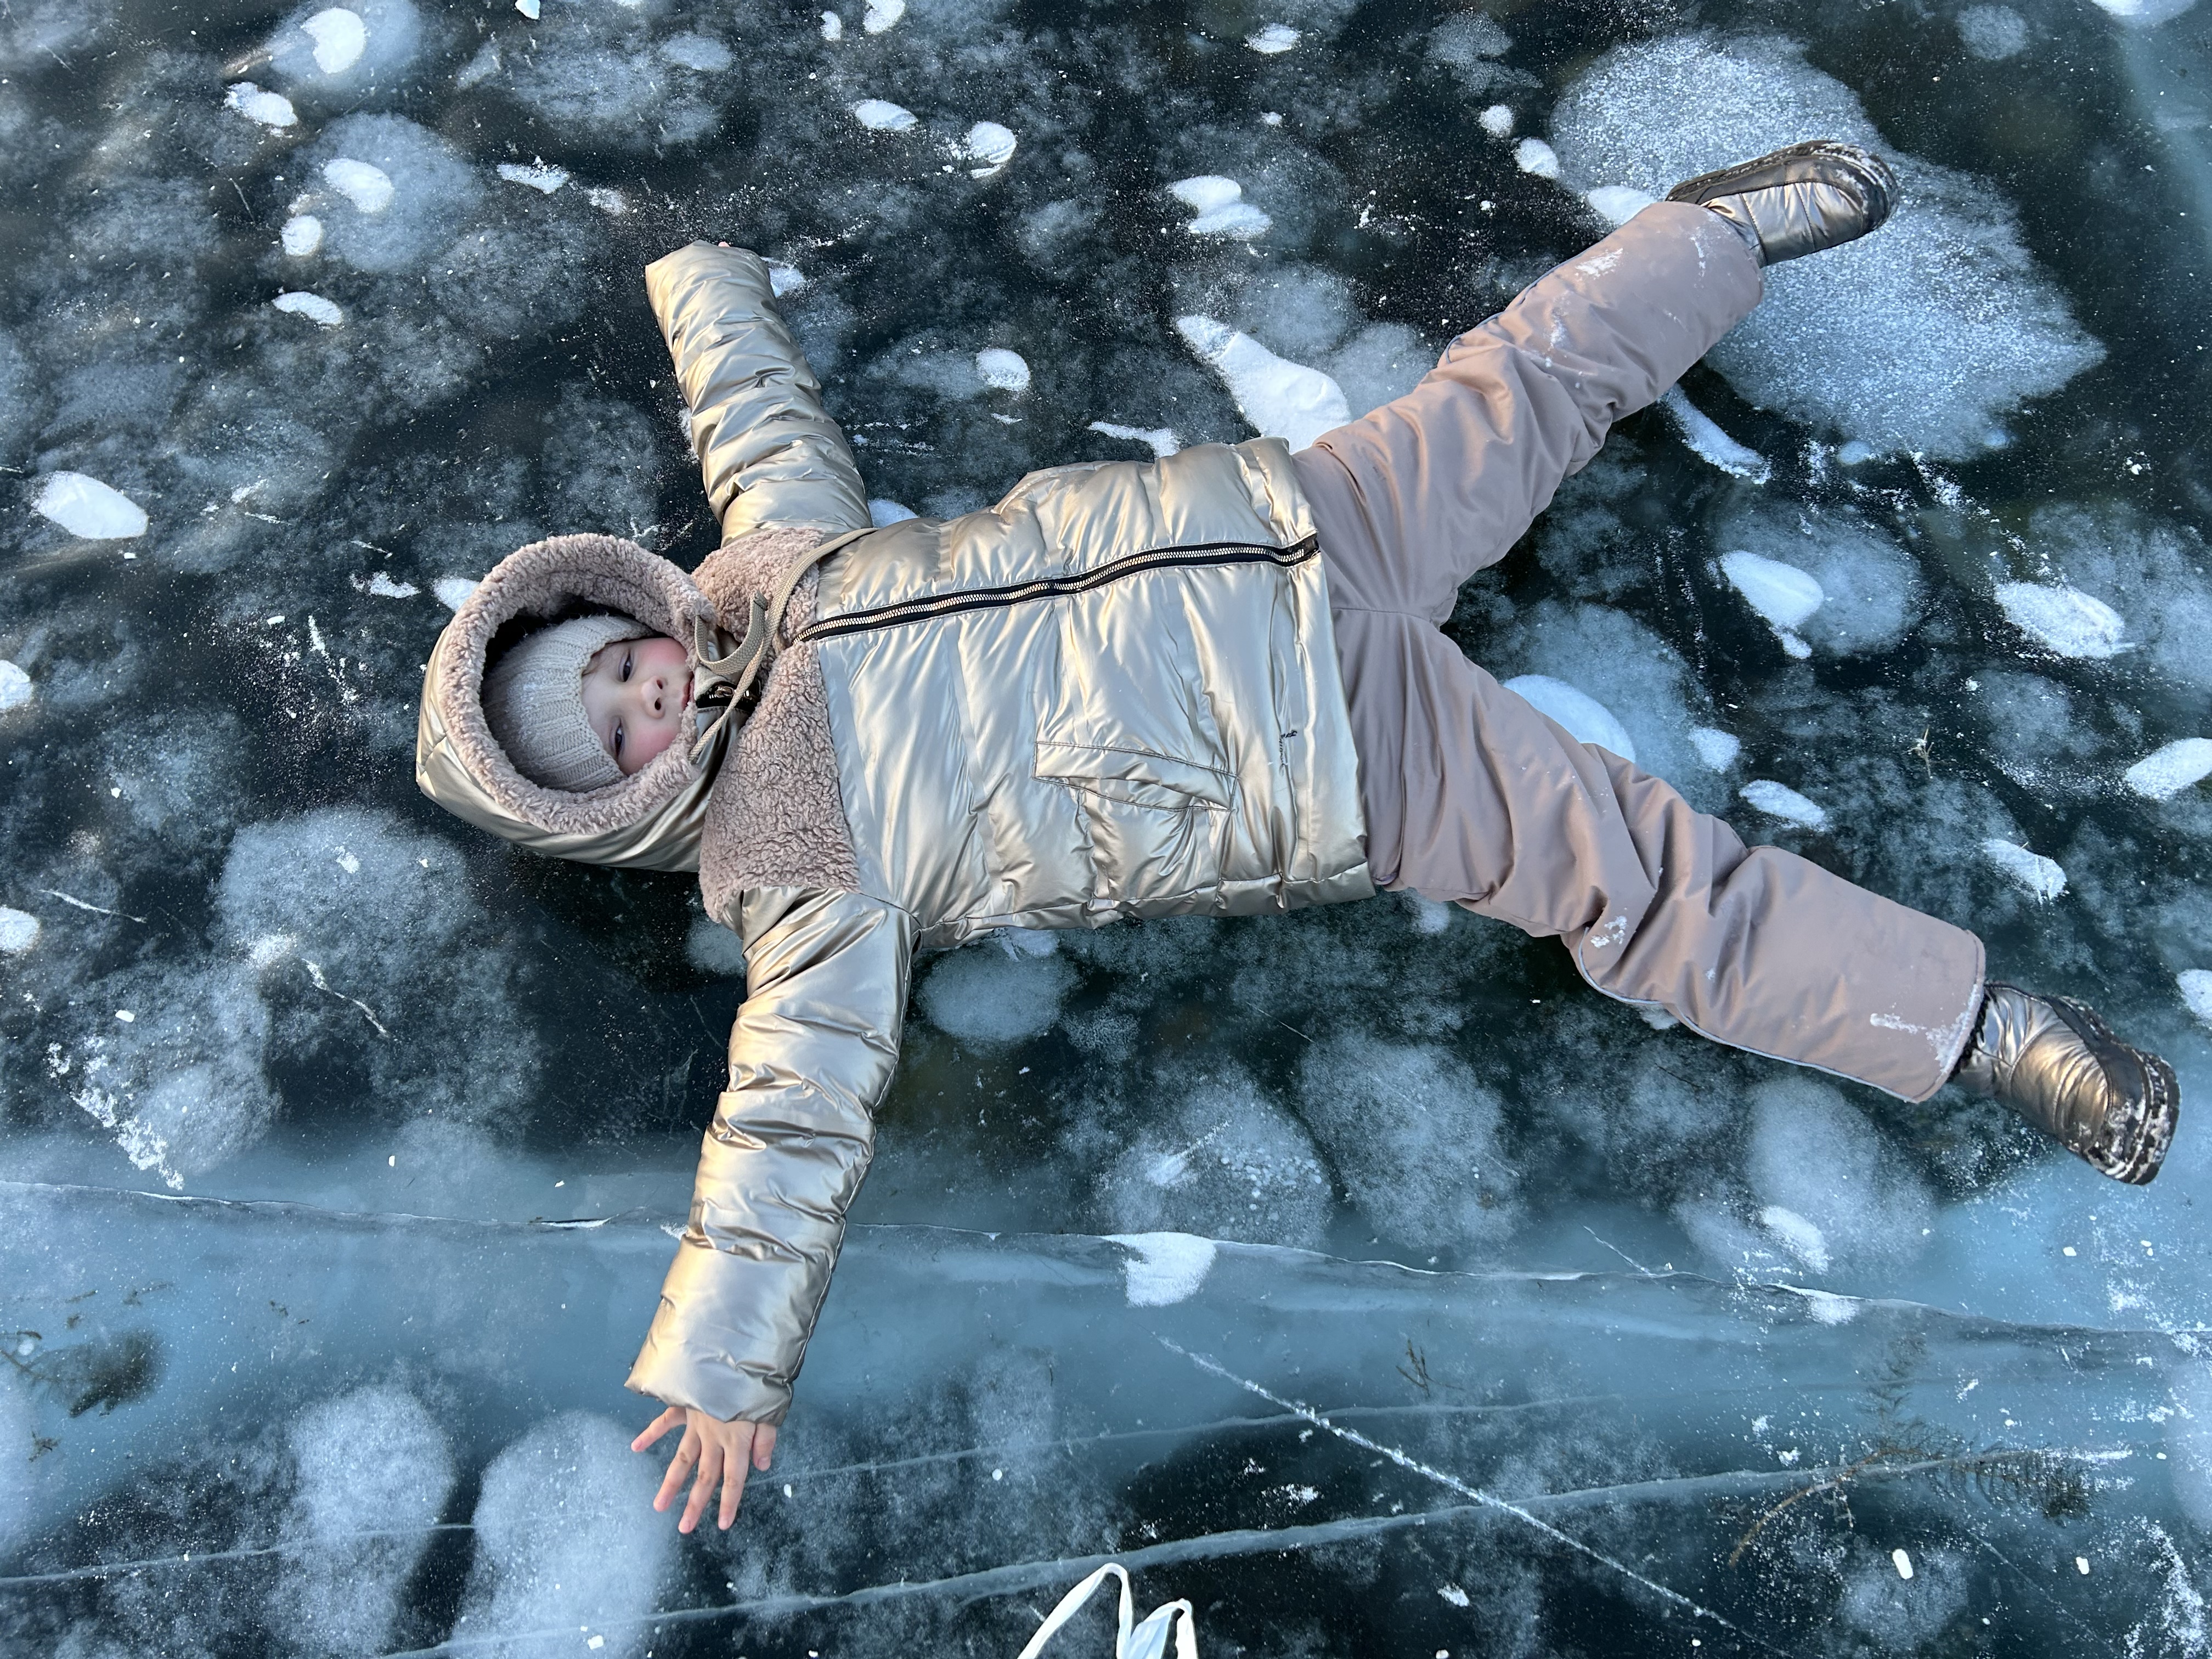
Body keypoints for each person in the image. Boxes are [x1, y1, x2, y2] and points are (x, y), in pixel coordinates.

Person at [415, 142, 2179, 1535]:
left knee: (1528, 383)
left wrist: (695, 278)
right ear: (625, 802)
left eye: (619, 665)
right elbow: (791, 1108)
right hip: (1338, 757)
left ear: (628, 611)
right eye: (619, 736)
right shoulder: (793, 865)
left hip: (1295, 530)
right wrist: (723, 1361)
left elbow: (759, 424)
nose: (649, 697)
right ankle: (1983, 1027)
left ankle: (1716, 229)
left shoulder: (771, 571)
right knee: (1646, 890)